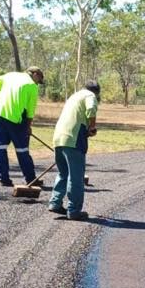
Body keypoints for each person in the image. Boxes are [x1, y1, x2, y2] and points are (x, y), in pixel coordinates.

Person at [48, 82, 100, 221]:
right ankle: (74, 210)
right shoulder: (90, 95)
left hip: (58, 138)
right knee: (76, 176)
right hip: (73, 139)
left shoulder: (74, 96)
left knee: (63, 173)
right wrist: (92, 127)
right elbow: (91, 108)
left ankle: (55, 203)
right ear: (96, 91)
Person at [0, 68, 44, 188]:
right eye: (39, 80)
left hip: (0, 117)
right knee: (22, 151)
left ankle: (4, 179)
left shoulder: (9, 75)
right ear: (35, 74)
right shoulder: (31, 86)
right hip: (17, 122)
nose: (38, 83)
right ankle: (30, 179)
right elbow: (30, 112)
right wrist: (28, 127)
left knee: (0, 149)